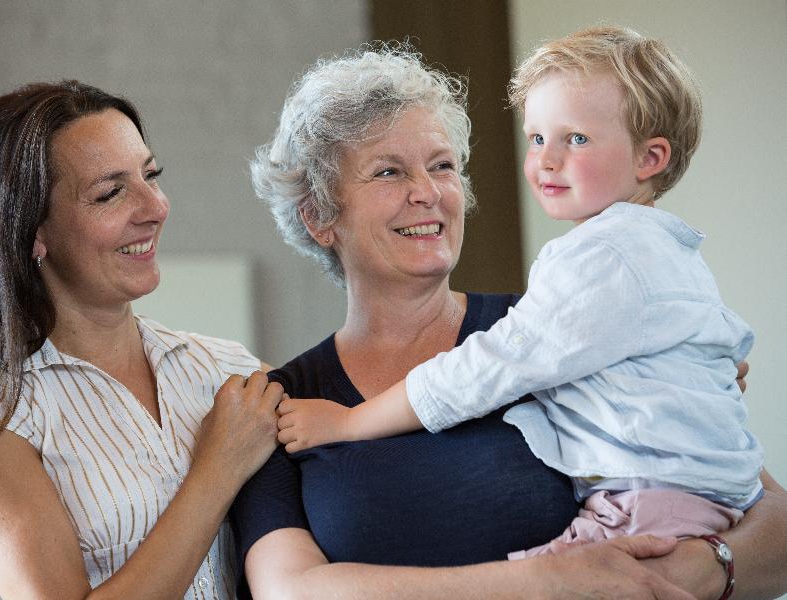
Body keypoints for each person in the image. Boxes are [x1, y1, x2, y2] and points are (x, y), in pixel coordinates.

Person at [230, 41, 787, 599]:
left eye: (442, 166)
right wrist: (544, 582)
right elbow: (290, 591)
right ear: (320, 215)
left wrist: (700, 568)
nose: (426, 193)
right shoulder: (286, 405)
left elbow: (762, 516)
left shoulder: (567, 324)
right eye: (388, 172)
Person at [0, 81, 282, 599]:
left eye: (150, 175)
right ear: (31, 231)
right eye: (110, 192)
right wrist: (217, 469)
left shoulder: (224, 365)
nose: (155, 206)